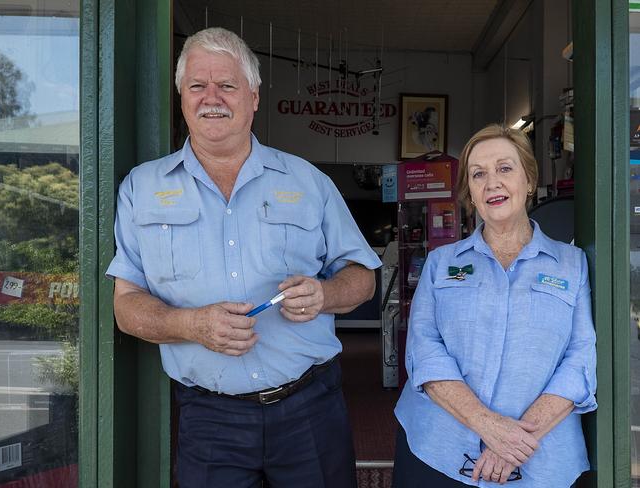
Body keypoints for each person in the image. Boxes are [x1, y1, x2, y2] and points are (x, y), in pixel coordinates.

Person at [106, 27, 381, 488]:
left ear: (253, 97)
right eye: (197, 86)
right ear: (181, 97)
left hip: (309, 406)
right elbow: (126, 305)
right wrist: (192, 326)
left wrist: (326, 293)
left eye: (227, 85)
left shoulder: (307, 179)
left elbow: (362, 277)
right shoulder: (142, 187)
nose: (211, 97)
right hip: (209, 417)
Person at [392, 124, 597, 487]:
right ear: (469, 192)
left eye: (505, 168)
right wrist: (486, 424)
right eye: (478, 174)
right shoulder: (441, 264)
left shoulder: (572, 264)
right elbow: (423, 350)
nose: (492, 183)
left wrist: (511, 443)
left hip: (540, 458)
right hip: (438, 449)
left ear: (529, 180)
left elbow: (580, 359)